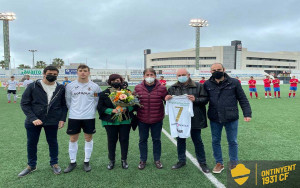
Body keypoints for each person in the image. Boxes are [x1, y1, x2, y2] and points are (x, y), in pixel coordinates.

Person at [18, 66, 68, 177]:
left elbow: (64, 105)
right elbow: (24, 104)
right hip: (34, 121)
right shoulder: (33, 86)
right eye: (50, 73)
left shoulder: (60, 88)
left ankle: (54, 163)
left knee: (52, 142)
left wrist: (62, 119)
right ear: (44, 74)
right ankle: (31, 165)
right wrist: (33, 118)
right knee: (31, 143)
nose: (52, 76)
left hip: (52, 120)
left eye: (55, 74)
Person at [204, 63, 252, 174]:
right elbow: (203, 100)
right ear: (210, 71)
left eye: (219, 69)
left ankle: (234, 163)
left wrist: (247, 113)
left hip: (231, 117)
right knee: (215, 141)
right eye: (214, 70)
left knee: (232, 141)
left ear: (224, 70)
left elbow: (242, 98)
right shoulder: (207, 84)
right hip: (215, 117)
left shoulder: (234, 82)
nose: (217, 71)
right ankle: (219, 163)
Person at [165, 68, 210, 173]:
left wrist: (196, 100)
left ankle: (202, 162)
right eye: (179, 75)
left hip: (194, 118)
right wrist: (166, 99)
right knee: (180, 140)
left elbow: (206, 100)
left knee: (197, 140)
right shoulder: (172, 88)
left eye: (183, 74)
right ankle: (181, 160)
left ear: (188, 75)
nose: (181, 77)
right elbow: (169, 104)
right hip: (180, 119)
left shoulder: (199, 86)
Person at [64, 65, 101, 173]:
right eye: (80, 71)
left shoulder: (95, 87)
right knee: (73, 139)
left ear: (89, 72)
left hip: (89, 117)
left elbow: (96, 100)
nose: (83, 73)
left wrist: (90, 112)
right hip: (74, 116)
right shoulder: (70, 86)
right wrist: (75, 111)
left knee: (88, 138)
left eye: (85, 71)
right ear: (77, 72)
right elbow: (68, 101)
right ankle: (72, 162)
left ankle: (86, 161)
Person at [97, 74, 134, 170]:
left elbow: (133, 105)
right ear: (110, 82)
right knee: (112, 141)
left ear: (121, 81)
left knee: (124, 140)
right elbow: (100, 107)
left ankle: (124, 160)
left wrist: (126, 108)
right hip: (110, 122)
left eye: (118, 80)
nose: (116, 82)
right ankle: (112, 160)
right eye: (113, 80)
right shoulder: (103, 93)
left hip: (125, 121)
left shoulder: (127, 92)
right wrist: (112, 111)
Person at [134, 68, 167, 170]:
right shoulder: (137, 88)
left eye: (151, 74)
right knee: (143, 140)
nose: (149, 77)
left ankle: (157, 160)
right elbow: (134, 102)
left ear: (155, 76)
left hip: (157, 119)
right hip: (142, 119)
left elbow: (167, 102)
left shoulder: (162, 88)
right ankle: (143, 160)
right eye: (147, 75)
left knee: (156, 140)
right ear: (143, 76)